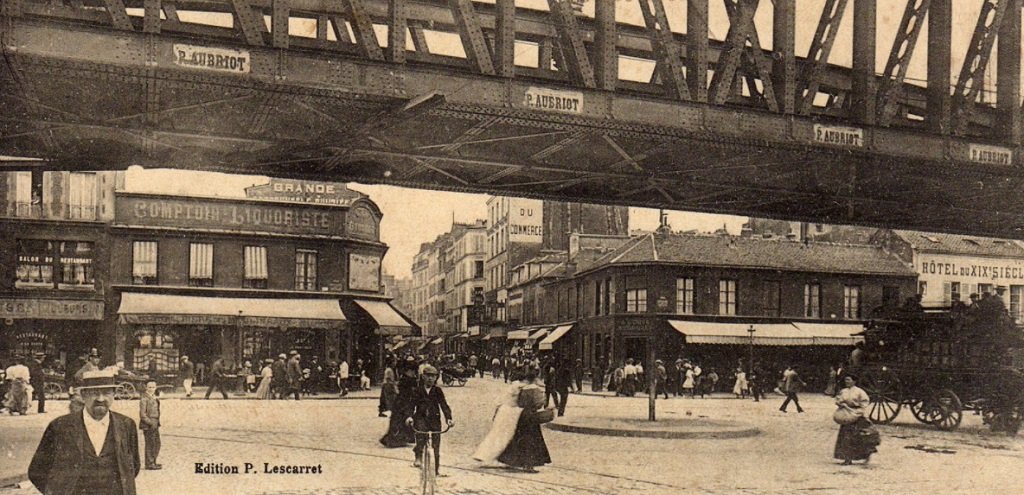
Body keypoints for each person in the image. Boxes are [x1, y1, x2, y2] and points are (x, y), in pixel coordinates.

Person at [29, 369, 141, 494]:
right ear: (83, 395)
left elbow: (133, 467)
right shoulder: (59, 426)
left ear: (114, 394)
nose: (100, 398)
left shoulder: (126, 425)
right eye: (94, 393)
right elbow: (36, 471)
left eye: (106, 393)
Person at [497, 369, 551, 473]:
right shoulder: (535, 389)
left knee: (519, 438)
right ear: (534, 379)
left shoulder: (522, 389)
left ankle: (514, 461)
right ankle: (529, 465)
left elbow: (518, 402)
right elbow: (539, 403)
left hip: (521, 415)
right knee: (532, 440)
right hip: (531, 417)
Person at [404, 365, 454, 476]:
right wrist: (409, 416)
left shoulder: (438, 391)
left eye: (433, 376)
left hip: (434, 420)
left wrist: (449, 418)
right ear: (423, 377)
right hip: (421, 418)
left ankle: (435, 470)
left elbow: (444, 405)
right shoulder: (417, 390)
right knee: (420, 436)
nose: (430, 379)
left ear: (436, 378)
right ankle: (418, 455)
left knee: (436, 446)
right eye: (428, 376)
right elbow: (411, 405)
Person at [473, 374, 525, 465]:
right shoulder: (519, 387)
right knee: (506, 436)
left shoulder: (510, 387)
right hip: (511, 412)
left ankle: (483, 454)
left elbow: (500, 401)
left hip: (503, 411)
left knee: (496, 434)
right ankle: (496, 456)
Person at [834, 374, 878, 465]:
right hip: (846, 415)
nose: (847, 382)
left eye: (849, 380)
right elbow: (838, 399)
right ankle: (847, 459)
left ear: (854, 381)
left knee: (858, 437)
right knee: (846, 438)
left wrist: (859, 412)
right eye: (846, 380)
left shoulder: (860, 392)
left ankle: (866, 455)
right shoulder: (843, 391)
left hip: (856, 415)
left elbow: (864, 402)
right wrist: (840, 404)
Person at [380, 357, 418, 448]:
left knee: (399, 421)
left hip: (402, 403)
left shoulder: (406, 379)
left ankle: (400, 439)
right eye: (413, 371)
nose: (414, 373)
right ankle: (393, 440)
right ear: (409, 371)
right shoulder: (406, 380)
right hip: (402, 404)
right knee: (399, 422)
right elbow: (405, 394)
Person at [139, 381, 162, 470]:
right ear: (146, 388)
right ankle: (149, 463)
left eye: (153, 387)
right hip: (149, 424)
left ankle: (153, 461)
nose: (151, 389)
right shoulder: (144, 399)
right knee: (150, 444)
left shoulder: (154, 397)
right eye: (150, 387)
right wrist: (150, 423)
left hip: (155, 422)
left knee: (157, 443)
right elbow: (142, 415)